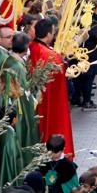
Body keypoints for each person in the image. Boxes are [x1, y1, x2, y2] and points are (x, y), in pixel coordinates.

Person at [32, 18, 75, 155]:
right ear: (48, 34)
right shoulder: (51, 55)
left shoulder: (32, 47)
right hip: (50, 100)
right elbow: (58, 77)